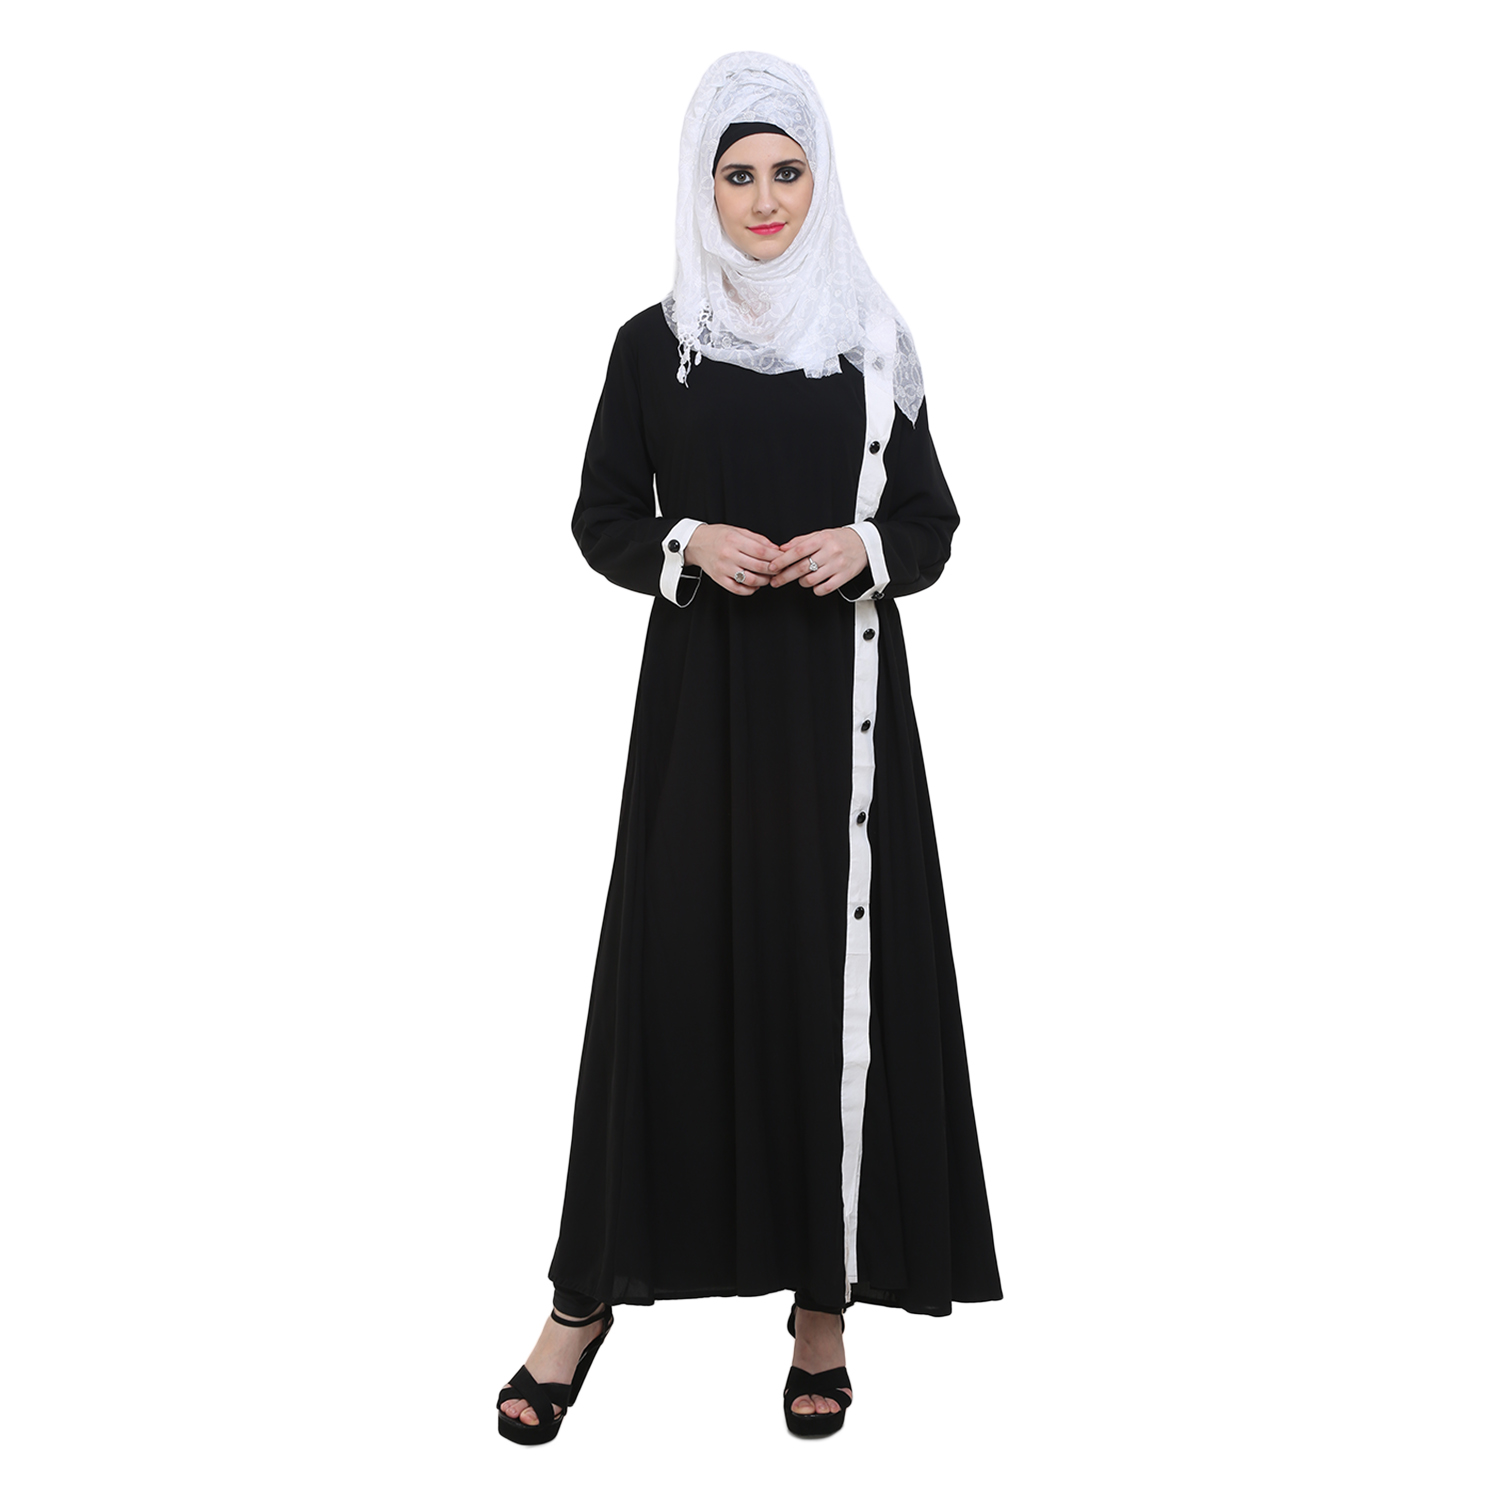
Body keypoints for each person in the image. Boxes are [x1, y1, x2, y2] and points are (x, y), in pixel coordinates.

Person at [497, 50, 1003, 1445]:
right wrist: (687, 542)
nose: (766, 200)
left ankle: (822, 1306)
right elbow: (603, 516)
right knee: (664, 981)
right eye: (739, 175)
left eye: (789, 173)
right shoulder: (654, 343)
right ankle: (584, 1299)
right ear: (701, 185)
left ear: (820, 180)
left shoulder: (870, 341)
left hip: (841, 723)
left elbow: (933, 524)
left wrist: (865, 548)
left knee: (829, 991)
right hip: (701, 715)